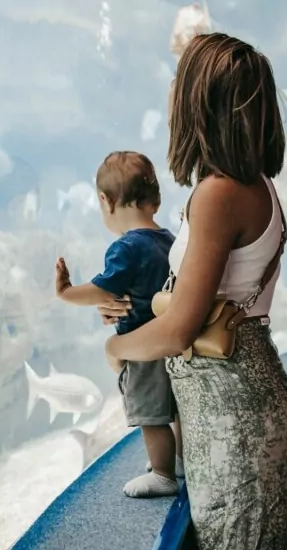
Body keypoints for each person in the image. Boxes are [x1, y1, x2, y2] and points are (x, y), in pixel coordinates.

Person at [99, 34, 287, 550]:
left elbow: (180, 330)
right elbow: (214, 296)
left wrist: (117, 344)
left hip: (233, 416)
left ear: (202, 100)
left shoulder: (218, 194)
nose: (171, 90)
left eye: (180, 80)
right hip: (250, 398)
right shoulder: (256, 185)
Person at [54, 150, 184, 498]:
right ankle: (182, 461)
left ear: (106, 201)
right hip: (174, 344)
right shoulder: (169, 241)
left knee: (151, 416)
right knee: (176, 409)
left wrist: (68, 292)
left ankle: (162, 473)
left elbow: (102, 289)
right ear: (155, 199)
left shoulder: (125, 248)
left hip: (143, 347)